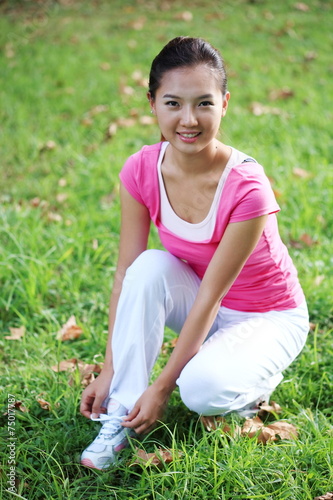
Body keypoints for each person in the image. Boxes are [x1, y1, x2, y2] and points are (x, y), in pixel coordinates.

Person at [79, 36, 309, 470]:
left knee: (200, 390)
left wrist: (163, 388)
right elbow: (126, 273)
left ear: (225, 103)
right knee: (145, 268)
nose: (189, 119)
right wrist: (110, 369)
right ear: (152, 104)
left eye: (204, 103)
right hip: (205, 300)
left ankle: (255, 379)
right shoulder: (140, 169)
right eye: (173, 103)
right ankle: (119, 416)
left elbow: (212, 298)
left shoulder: (248, 187)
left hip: (267, 315)